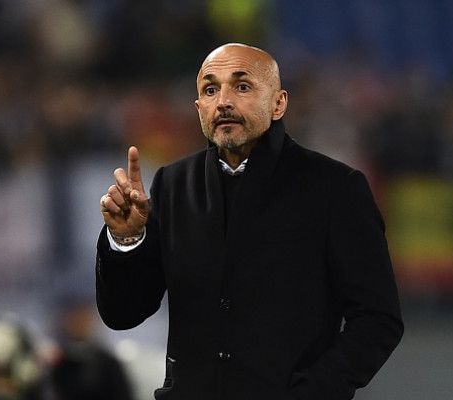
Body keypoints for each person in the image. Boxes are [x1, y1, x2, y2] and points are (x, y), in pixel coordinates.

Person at [95, 43, 403, 400]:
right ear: (199, 109)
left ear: (278, 103)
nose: (223, 101)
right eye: (210, 90)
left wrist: (311, 393)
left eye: (242, 86)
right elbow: (123, 315)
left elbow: (379, 320)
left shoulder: (335, 188)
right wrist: (126, 242)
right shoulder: (173, 185)